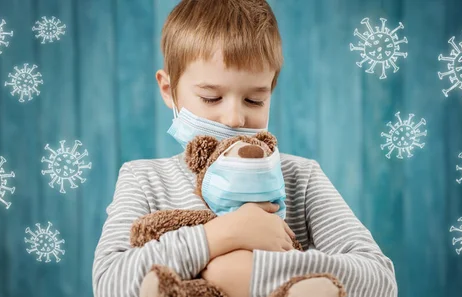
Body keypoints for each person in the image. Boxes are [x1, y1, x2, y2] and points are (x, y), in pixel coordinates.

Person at [92, 0, 397, 296]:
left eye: (254, 100)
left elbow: (380, 279)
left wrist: (244, 274)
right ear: (169, 91)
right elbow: (109, 283)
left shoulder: (300, 178)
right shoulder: (143, 180)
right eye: (211, 98)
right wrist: (223, 234)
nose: (235, 118)